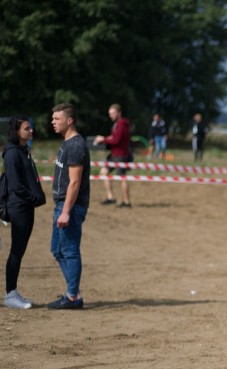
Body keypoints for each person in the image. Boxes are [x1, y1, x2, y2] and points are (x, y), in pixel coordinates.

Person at [49, 103, 91, 310]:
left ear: (69, 120)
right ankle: (73, 291)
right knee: (56, 249)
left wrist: (66, 211)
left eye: (57, 119)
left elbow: (74, 182)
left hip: (70, 208)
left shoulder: (75, 145)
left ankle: (73, 296)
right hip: (62, 205)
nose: (52, 122)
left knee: (70, 250)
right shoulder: (67, 143)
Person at [3, 116, 46, 309]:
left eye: (31, 128)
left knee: (19, 251)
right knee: (16, 251)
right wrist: (35, 197)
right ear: (17, 131)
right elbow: (15, 186)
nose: (31, 131)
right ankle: (10, 294)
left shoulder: (23, 150)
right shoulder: (12, 154)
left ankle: (12, 292)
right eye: (27, 128)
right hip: (18, 206)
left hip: (27, 206)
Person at [94, 103, 132, 207]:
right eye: (110, 114)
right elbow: (114, 137)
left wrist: (103, 139)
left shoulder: (121, 124)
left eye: (113, 113)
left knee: (122, 177)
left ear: (119, 113)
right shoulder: (116, 124)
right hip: (113, 154)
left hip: (121, 155)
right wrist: (105, 139)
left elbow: (116, 140)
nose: (111, 116)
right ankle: (111, 197)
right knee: (103, 172)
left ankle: (127, 202)